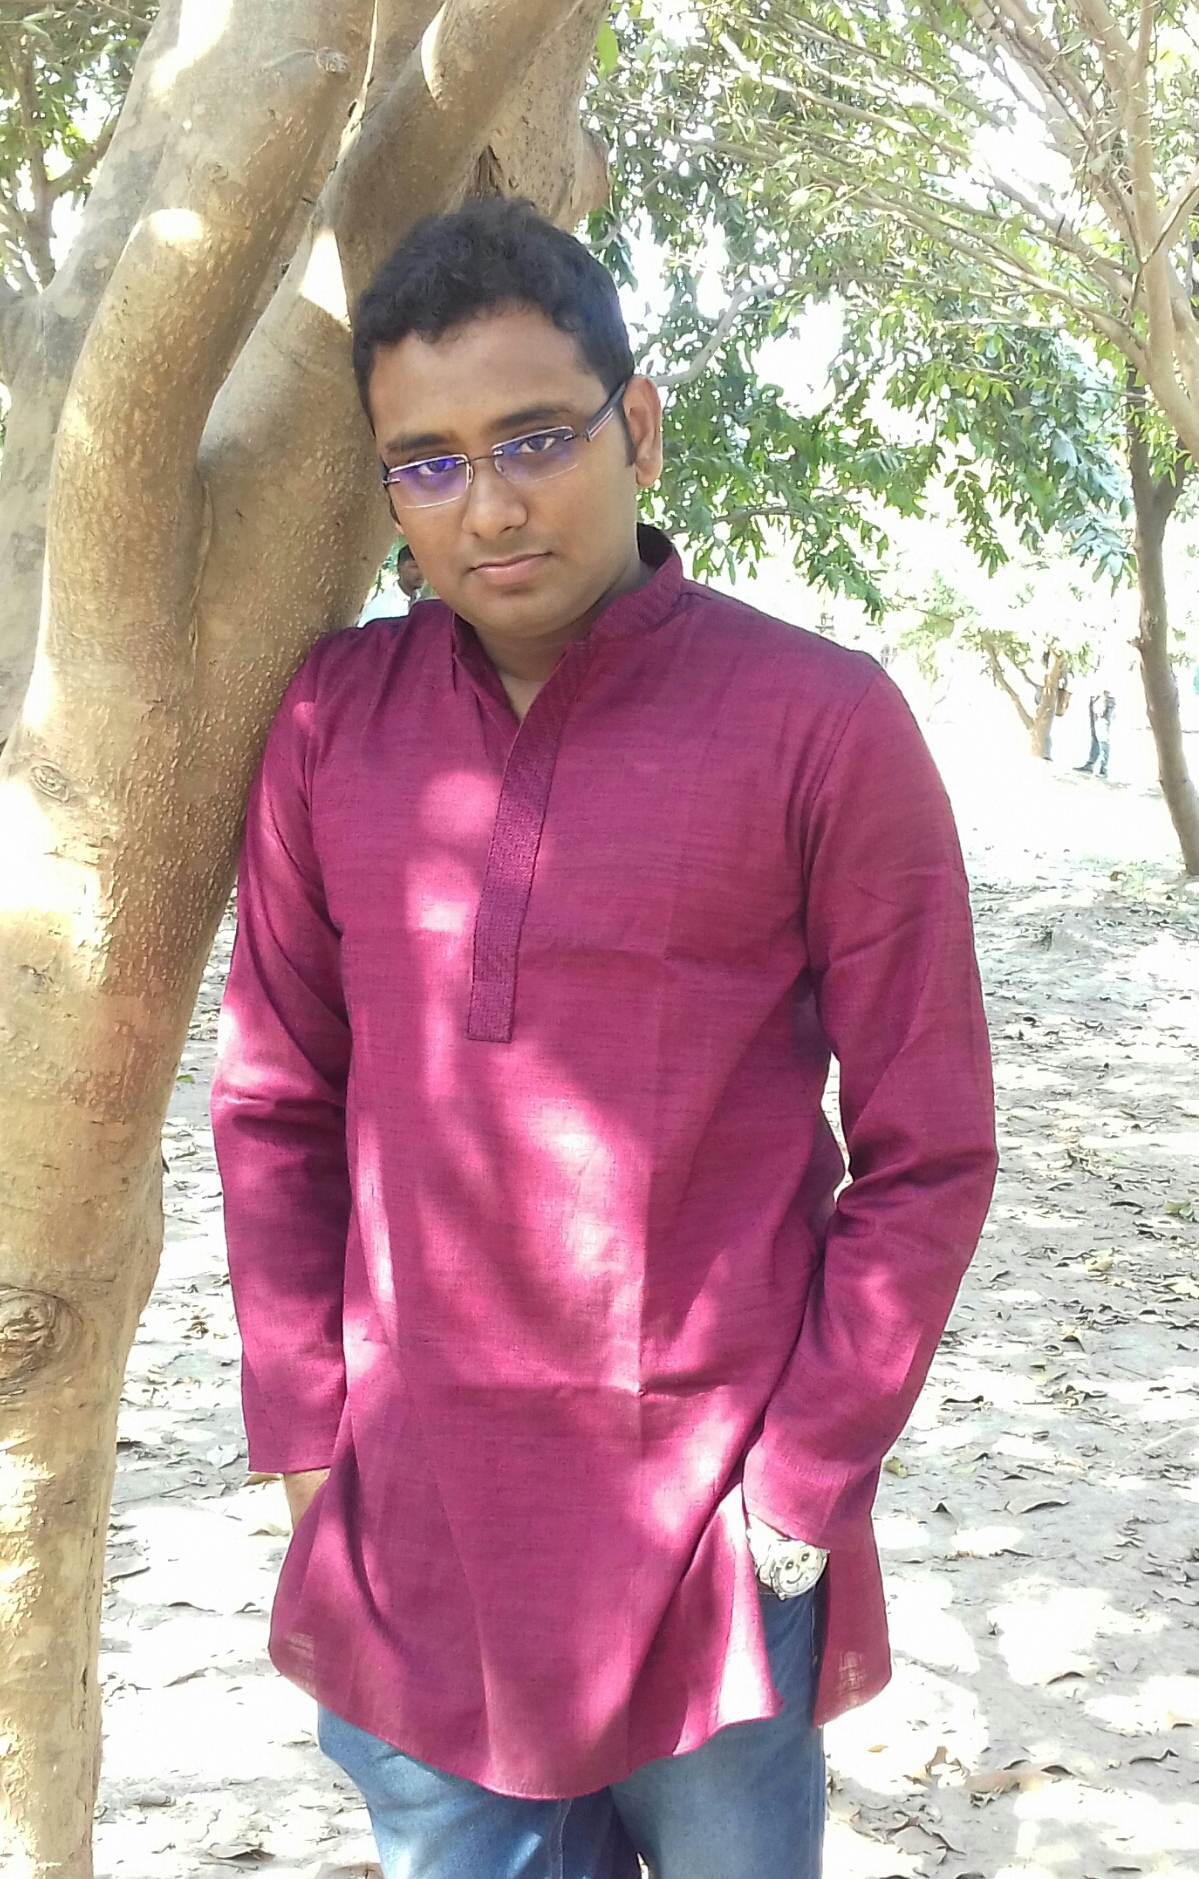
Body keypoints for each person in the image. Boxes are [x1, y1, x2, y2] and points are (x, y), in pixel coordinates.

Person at [211, 199, 997, 1879]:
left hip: (707, 1541)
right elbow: (275, 1100)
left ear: (634, 425)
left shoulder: (819, 723)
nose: (487, 504)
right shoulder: (333, 723)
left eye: (532, 438)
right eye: (425, 462)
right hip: (417, 1537)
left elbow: (927, 1147)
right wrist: (307, 1449)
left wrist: (795, 1490)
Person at [1077, 689, 1115, 777]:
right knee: (1095, 735)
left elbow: (1109, 683)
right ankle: (1091, 764)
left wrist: (1103, 698)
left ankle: (1103, 769)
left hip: (1103, 698)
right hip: (1096, 698)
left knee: (1102, 735)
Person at [396, 542, 427, 607]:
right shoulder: (381, 604)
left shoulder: (426, 603)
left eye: (425, 567)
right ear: (399, 570)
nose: (421, 572)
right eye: (415, 566)